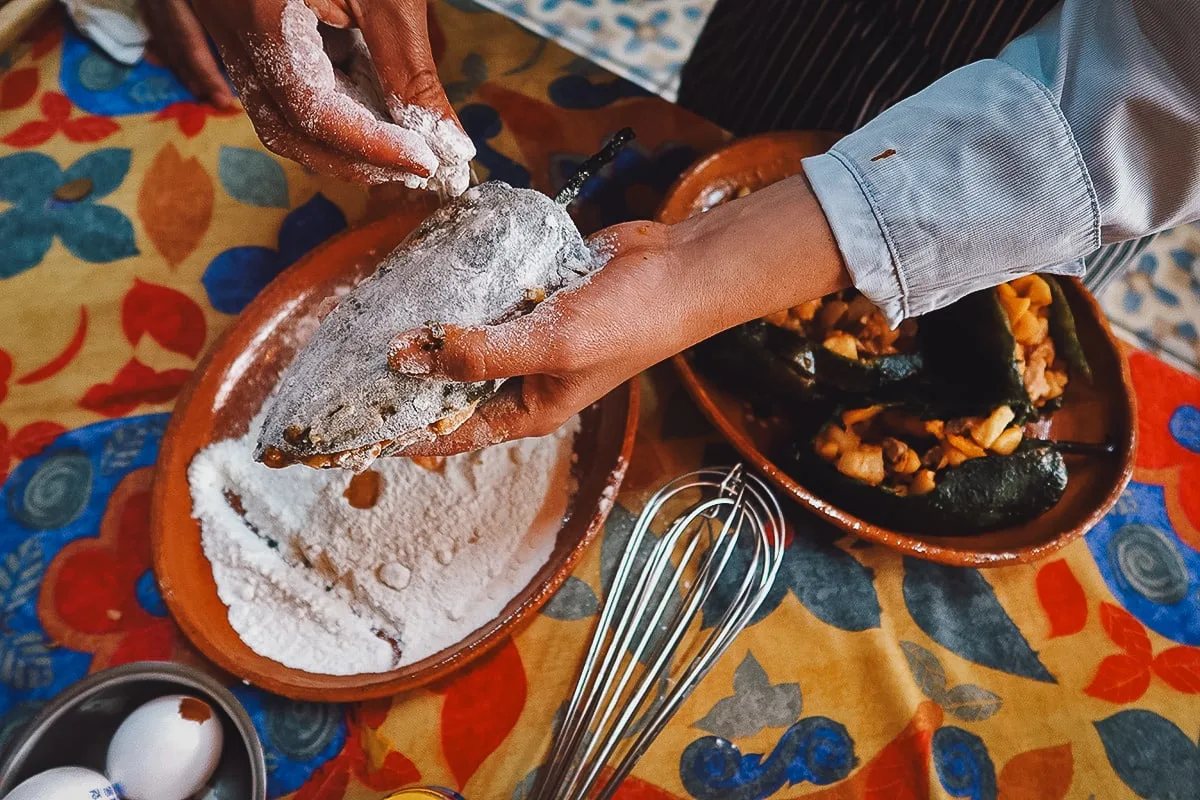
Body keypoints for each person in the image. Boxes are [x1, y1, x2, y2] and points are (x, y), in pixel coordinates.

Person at [146, 0, 1199, 456]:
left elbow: (1157, 76)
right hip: (807, 31)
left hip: (1058, 133)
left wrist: (698, 266)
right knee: (710, 135)